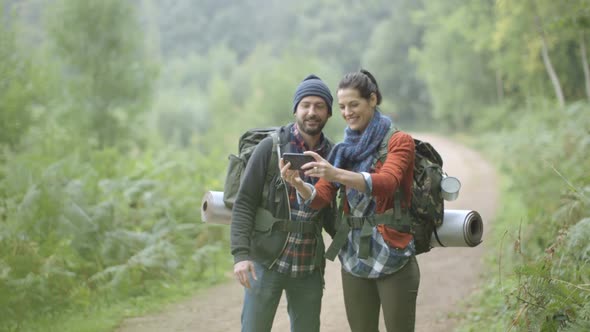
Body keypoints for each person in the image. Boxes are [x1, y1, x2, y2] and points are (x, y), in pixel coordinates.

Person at [280, 69, 419, 332]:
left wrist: (336, 173)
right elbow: (321, 197)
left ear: (373, 100)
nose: (347, 112)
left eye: (354, 104)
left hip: (394, 255)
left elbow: (387, 182)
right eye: (342, 106)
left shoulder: (400, 141)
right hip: (354, 257)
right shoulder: (342, 151)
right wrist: (299, 184)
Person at [230, 74, 337, 332]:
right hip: (266, 261)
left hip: (308, 264)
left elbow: (334, 211)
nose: (312, 112)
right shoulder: (269, 148)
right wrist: (240, 255)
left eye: (319, 106)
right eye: (306, 105)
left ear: (328, 113)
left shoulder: (333, 155)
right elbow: (244, 203)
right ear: (295, 109)